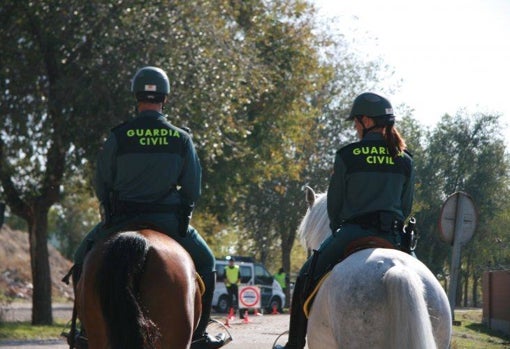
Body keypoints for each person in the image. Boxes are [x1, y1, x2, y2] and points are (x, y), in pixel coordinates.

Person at [72, 66, 225, 349]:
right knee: (206, 262)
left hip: (120, 220)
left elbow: (102, 182)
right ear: (164, 98)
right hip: (168, 220)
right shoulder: (181, 138)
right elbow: (192, 188)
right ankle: (201, 335)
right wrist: (183, 213)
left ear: (136, 96)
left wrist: (109, 211)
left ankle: (82, 331)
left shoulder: (119, 136)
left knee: (81, 260)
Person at [274, 92, 415, 349]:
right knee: (422, 285)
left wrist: (340, 226)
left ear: (366, 121)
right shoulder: (405, 160)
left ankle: (293, 344)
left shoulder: (348, 155)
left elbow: (335, 205)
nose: (354, 127)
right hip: (393, 237)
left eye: (356, 122)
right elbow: (405, 206)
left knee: (306, 276)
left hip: (352, 233)